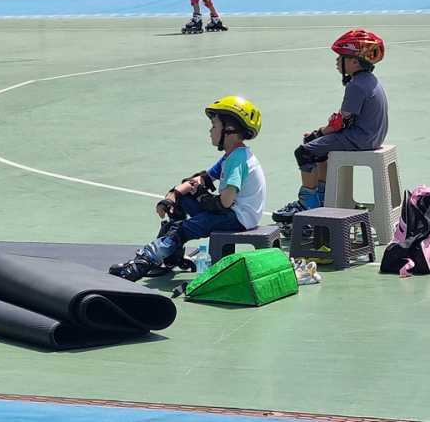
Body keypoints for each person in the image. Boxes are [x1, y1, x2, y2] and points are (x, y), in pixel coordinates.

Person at [110, 96, 266, 281]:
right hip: (230, 213)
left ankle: (142, 263)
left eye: (214, 126)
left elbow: (225, 202)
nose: (210, 131)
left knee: (182, 229)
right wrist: (173, 195)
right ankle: (171, 256)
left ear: (229, 131)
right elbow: (201, 178)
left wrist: (201, 196)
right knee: (182, 201)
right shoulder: (231, 156)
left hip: (238, 218)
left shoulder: (237, 161)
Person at [272, 30, 388, 224]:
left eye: (341, 57)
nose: (337, 62)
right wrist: (320, 135)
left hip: (359, 138)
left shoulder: (356, 85)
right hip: (371, 136)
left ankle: (307, 203)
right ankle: (323, 197)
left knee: (304, 151)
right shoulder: (369, 81)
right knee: (320, 149)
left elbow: (340, 122)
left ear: (354, 61)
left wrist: (317, 134)